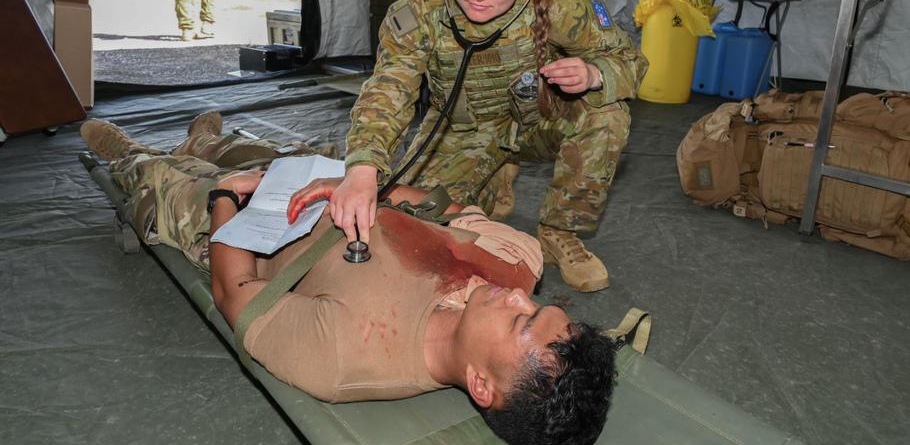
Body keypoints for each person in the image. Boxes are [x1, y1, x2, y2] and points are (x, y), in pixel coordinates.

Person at [80, 113, 618, 445]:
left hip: (252, 222)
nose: (522, 295)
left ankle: (136, 154)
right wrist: (346, 182)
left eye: (521, 321)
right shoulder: (518, 259)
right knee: (260, 150)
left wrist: (231, 198)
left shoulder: (344, 357)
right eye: (539, 305)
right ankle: (204, 143)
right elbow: (446, 207)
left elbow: (233, 291)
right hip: (320, 182)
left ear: (482, 385)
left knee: (168, 183)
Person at [335, 0, 648, 293]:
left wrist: (593, 73)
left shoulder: (561, 0)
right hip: (461, 130)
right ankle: (493, 174)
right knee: (414, 226)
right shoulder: (425, 9)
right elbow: (389, 86)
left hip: (537, 120)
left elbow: (629, 59)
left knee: (607, 113)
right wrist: (362, 168)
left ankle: (559, 230)